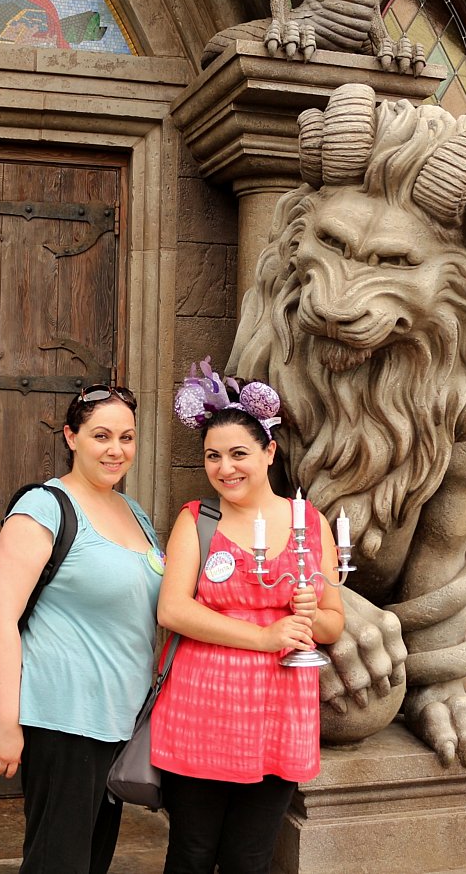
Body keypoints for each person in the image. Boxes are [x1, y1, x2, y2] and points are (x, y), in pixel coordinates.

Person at [151, 359, 345, 874]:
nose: (225, 468)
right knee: (191, 853)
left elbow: (332, 624)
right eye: (213, 456)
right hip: (203, 710)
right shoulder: (197, 520)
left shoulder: (309, 522)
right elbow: (172, 609)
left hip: (279, 714)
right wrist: (265, 636)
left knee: (251, 856)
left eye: (239, 453)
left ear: (269, 452)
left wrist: (308, 614)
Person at [0, 384, 163, 874]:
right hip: (64, 719)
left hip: (119, 722)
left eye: (126, 437)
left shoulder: (135, 513)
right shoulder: (44, 507)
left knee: (91, 862)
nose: (116, 449)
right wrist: (6, 722)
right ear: (71, 436)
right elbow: (0, 618)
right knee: (56, 863)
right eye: (101, 435)